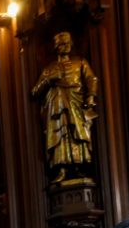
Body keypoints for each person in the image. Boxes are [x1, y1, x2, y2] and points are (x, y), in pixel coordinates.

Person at [30, 31, 99, 184]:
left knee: (77, 132)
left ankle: (79, 166)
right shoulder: (50, 68)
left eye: (68, 43)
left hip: (76, 102)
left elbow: (91, 79)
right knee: (60, 135)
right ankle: (61, 168)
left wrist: (90, 96)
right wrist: (48, 80)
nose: (66, 46)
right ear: (56, 47)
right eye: (62, 44)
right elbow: (34, 91)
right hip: (56, 105)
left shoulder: (80, 62)